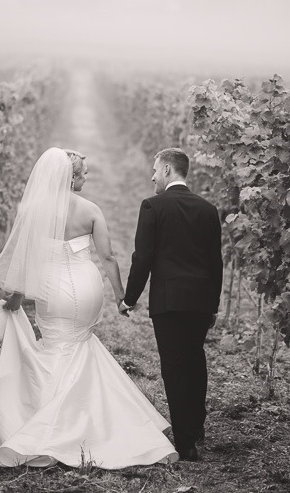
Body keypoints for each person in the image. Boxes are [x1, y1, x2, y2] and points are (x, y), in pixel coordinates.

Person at [0, 147, 178, 469]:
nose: (86, 178)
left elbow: (25, 260)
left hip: (52, 290)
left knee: (57, 345)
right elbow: (109, 257)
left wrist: (15, 299)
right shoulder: (90, 210)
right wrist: (119, 296)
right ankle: (91, 416)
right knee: (79, 344)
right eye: (83, 174)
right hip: (87, 288)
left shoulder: (34, 210)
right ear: (70, 178)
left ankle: (53, 421)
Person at [120, 148, 223, 462]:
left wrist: (129, 298)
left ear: (167, 169)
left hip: (168, 302)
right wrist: (214, 306)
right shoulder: (208, 209)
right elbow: (216, 263)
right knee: (195, 360)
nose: (152, 176)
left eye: (154, 170)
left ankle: (186, 442)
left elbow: (143, 258)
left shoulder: (153, 206)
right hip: (200, 301)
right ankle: (196, 426)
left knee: (174, 368)